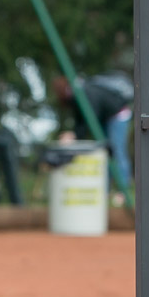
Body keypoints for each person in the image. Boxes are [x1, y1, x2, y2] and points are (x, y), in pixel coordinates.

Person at [52, 70, 133, 205]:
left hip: (118, 115)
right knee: (105, 153)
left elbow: (90, 118)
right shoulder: (76, 96)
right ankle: (105, 191)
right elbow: (81, 120)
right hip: (105, 117)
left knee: (117, 150)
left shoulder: (85, 93)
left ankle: (122, 192)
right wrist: (74, 134)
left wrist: (74, 135)